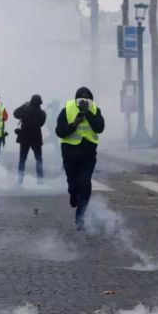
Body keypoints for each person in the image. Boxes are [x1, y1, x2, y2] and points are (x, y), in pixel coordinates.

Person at [55, 87, 105, 231]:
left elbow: (99, 128)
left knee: (85, 184)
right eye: (81, 100)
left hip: (88, 157)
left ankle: (80, 217)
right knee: (73, 184)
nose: (84, 102)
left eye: (87, 100)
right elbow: (60, 132)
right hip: (70, 155)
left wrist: (88, 113)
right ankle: (73, 193)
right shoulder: (67, 110)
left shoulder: (95, 110)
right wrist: (74, 123)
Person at [13, 94, 46, 185]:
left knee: (22, 159)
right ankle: (40, 179)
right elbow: (41, 123)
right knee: (38, 159)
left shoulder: (25, 109)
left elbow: (15, 113)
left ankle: (20, 180)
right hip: (36, 138)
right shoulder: (42, 113)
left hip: (24, 138)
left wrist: (24, 105)